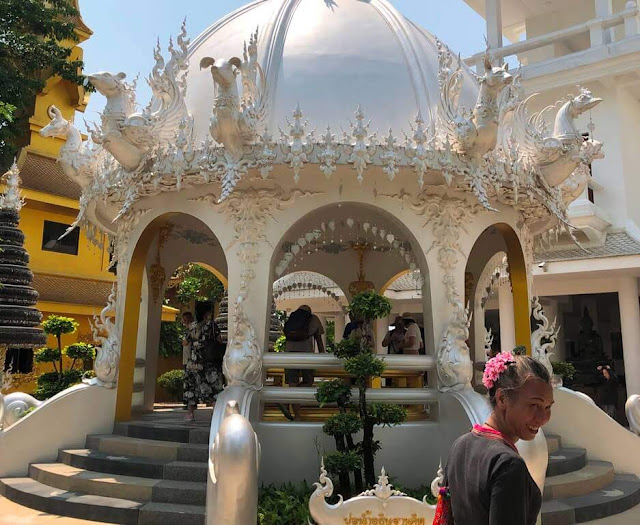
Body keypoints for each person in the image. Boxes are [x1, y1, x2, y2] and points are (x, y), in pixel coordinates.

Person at [441, 353, 553, 525]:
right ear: (502, 399)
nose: (543, 417)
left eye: (547, 407)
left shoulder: (460, 445)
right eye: (534, 405)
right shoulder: (508, 464)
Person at [283, 305, 325, 420]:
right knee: (308, 380)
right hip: (305, 354)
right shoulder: (313, 318)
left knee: (292, 384)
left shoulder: (292, 318)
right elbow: (319, 340)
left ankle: (293, 410)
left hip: (289, 353)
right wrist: (323, 356)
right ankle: (293, 409)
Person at [181, 311, 194, 410]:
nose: (183, 322)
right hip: (186, 359)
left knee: (190, 382)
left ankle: (190, 403)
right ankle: (188, 402)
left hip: (191, 359)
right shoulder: (187, 331)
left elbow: (185, 343)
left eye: (185, 320)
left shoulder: (191, 331)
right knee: (187, 381)